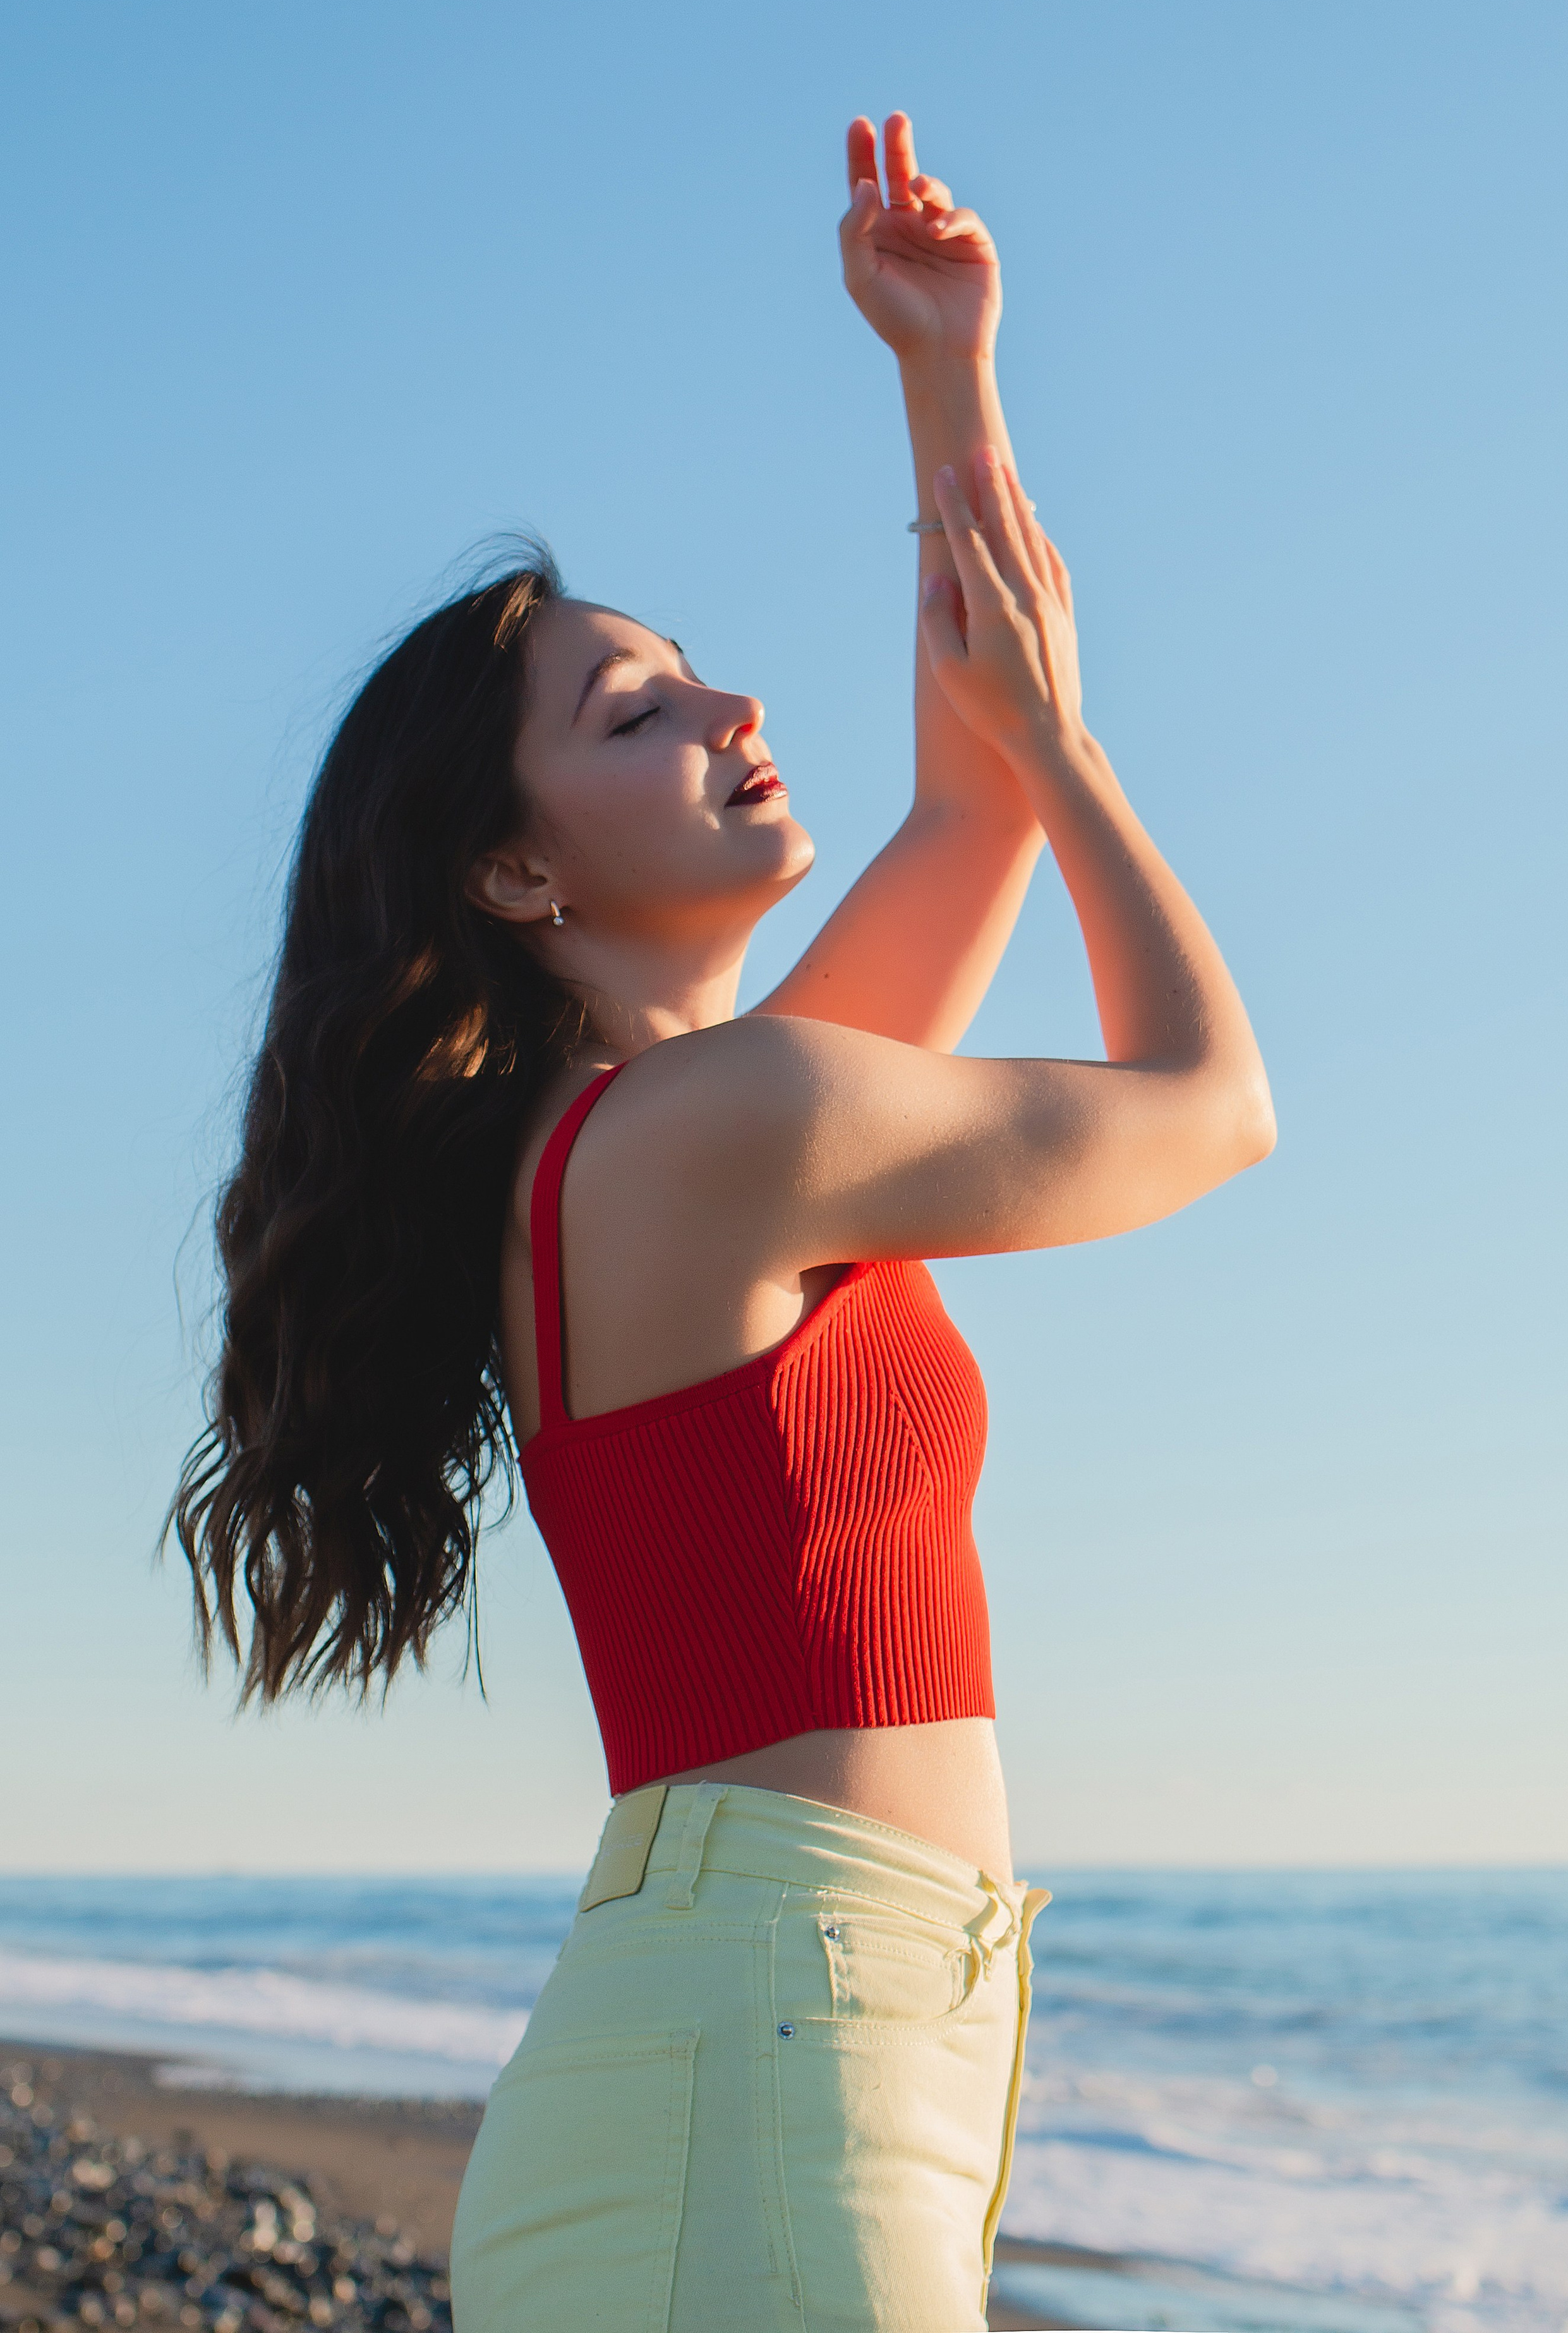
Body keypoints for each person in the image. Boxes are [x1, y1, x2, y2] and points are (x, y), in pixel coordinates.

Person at [169, 113, 1274, 2333]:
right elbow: (1210, 1108)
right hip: (776, 2051)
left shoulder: (685, 1135)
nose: (733, 707)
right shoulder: (713, 1131)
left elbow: (956, 803)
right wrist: (1077, 754)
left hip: (798, 2039)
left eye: (697, 671)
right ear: (513, 875)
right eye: (635, 710)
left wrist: (946, 377)